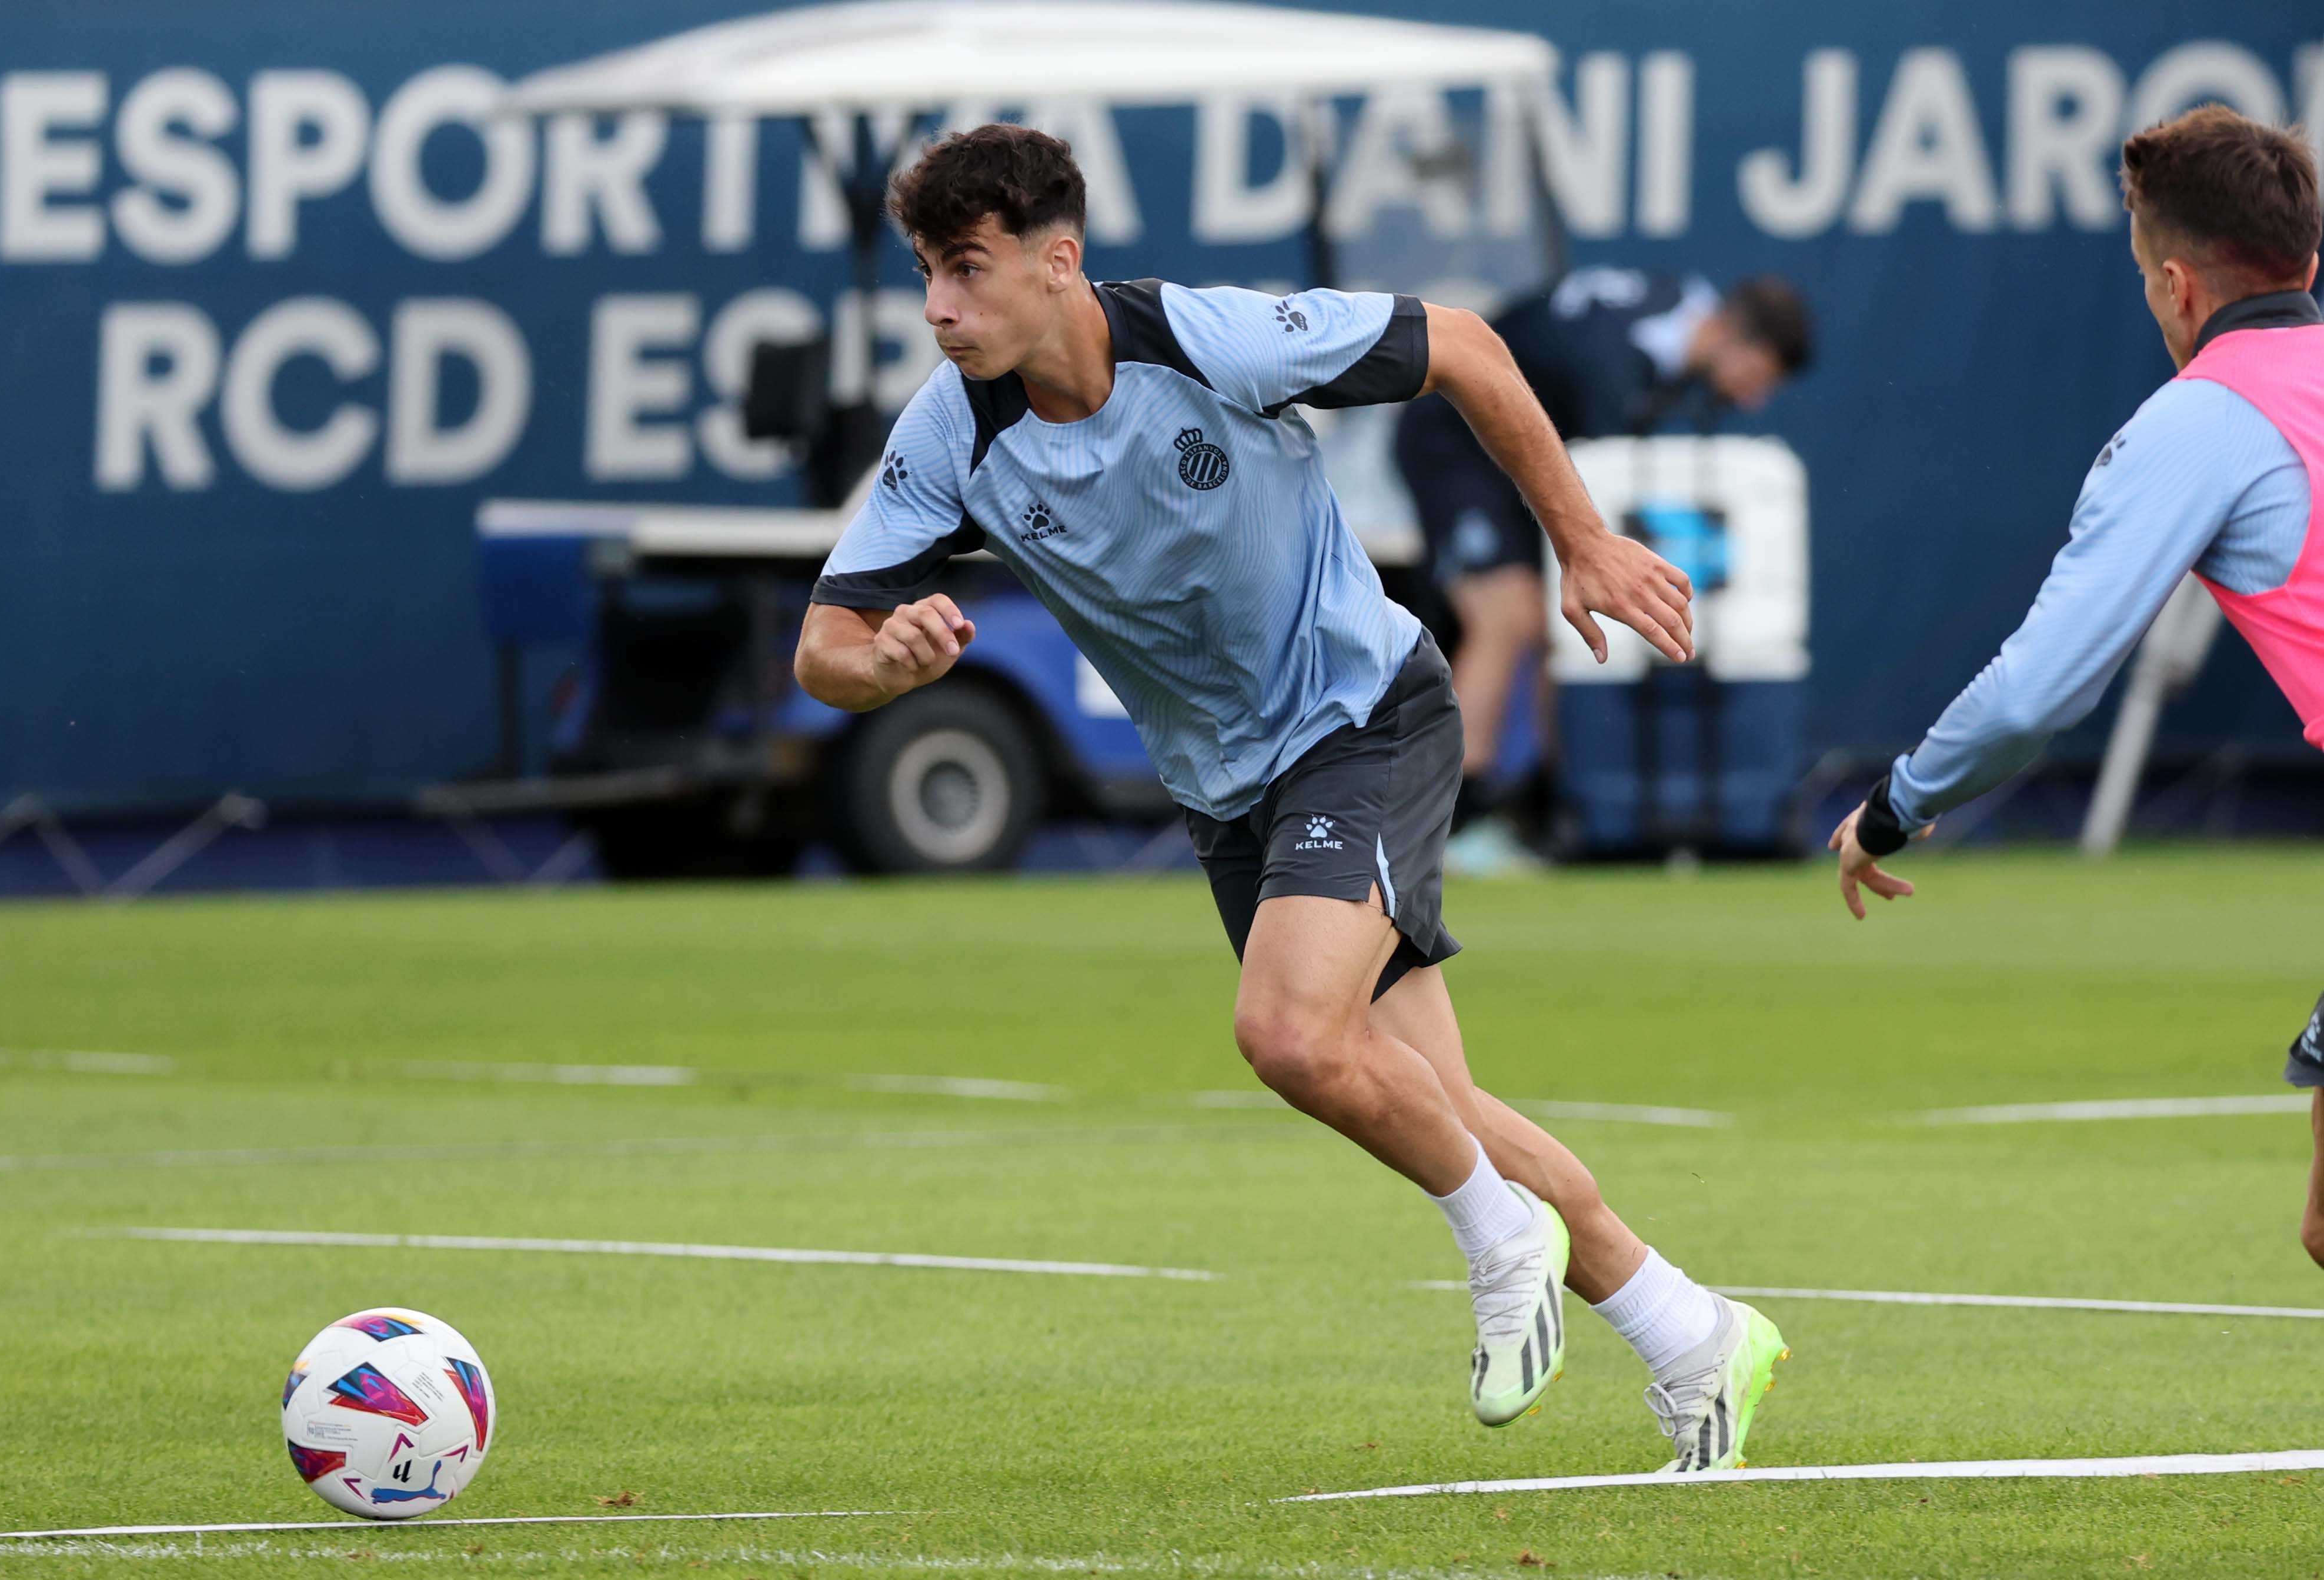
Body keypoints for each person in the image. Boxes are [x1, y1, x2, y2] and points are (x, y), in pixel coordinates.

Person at [794, 125, 1788, 1471]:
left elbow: (1466, 347)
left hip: (1364, 716)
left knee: (1285, 1031)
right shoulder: (951, 432)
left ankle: (1500, 1240)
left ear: (1057, 262)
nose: (937, 306)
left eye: (965, 267)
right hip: (1226, 790)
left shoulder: (1208, 340)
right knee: (1432, 1101)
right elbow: (826, 646)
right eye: (926, 271)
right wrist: (885, 666)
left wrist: (1579, 539)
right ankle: (1692, 1331)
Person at [1827, 105, 2324, 1265]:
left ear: (2174, 285)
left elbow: (2034, 693)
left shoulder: (2201, 419)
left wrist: (1897, 803)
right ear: (2303, 263)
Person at [1393, 271, 1814, 868]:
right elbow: (1582, 476)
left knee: (1557, 621)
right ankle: (1442, 817)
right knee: (1507, 617)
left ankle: (1543, 804)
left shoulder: (1677, 312)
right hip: (1454, 439)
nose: (1752, 399)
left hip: (1511, 449)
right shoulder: (1614, 365)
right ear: (1728, 332)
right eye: (1757, 376)